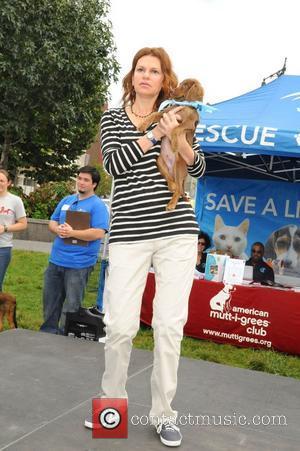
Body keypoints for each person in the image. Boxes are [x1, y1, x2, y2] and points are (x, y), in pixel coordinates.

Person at [84, 47, 206, 447]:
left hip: (177, 230)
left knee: (170, 327)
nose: (147, 76)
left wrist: (178, 135)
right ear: (132, 76)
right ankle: (111, 407)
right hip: (130, 234)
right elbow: (115, 165)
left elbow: (199, 167)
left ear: (164, 78)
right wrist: (154, 133)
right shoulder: (114, 119)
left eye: (155, 71)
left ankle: (163, 415)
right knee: (119, 326)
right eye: (141, 69)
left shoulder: (180, 113)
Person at [40, 166, 109, 334]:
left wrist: (72, 233)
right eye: (79, 178)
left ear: (94, 184)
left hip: (79, 264)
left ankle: (65, 334)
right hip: (56, 260)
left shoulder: (98, 206)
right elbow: (52, 221)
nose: (81, 182)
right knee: (50, 301)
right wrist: (57, 230)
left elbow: (99, 232)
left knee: (71, 305)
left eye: (86, 180)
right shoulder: (67, 200)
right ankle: (48, 332)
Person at [0, 169, 27, 291]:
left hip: (3, 249)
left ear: (8, 183)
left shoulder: (15, 200)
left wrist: (5, 228)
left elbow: (23, 224)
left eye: (1, 180)